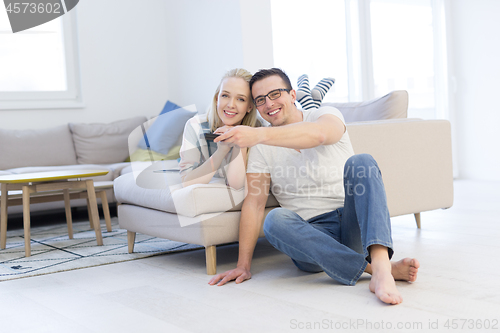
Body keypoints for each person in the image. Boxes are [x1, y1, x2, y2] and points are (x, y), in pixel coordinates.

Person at [208, 68, 419, 305]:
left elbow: (318, 135)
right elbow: (255, 204)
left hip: (353, 223)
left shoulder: (324, 115)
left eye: (275, 94)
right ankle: (374, 270)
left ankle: (381, 268)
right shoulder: (260, 147)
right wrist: (243, 266)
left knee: (363, 162)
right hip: (313, 238)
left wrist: (258, 134)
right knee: (274, 220)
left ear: (293, 95)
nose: (269, 103)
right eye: (260, 100)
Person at [179, 68, 259, 189]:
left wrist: (240, 142)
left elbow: (235, 185)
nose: (231, 105)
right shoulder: (195, 125)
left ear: (250, 107)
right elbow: (187, 182)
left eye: (240, 99)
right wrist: (221, 151)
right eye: (225, 95)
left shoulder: (259, 130)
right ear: (217, 99)